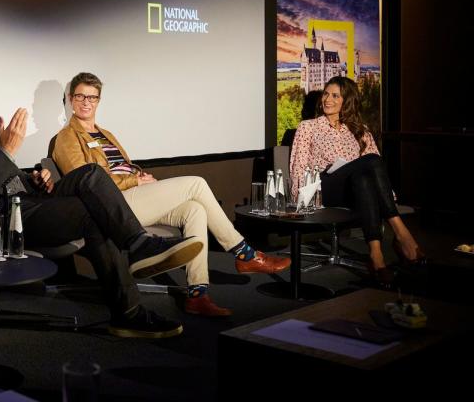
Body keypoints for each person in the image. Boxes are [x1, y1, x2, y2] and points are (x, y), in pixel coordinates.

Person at [0, 61, 203, 339]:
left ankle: (138, 244)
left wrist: (34, 178)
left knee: (90, 173)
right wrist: (6, 152)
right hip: (0, 220)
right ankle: (130, 309)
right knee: (93, 214)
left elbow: (5, 174)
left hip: (27, 199)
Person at [52, 72, 290, 317]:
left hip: (134, 193)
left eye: (92, 97)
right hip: (111, 207)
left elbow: (123, 168)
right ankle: (244, 253)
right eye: (80, 96)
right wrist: (135, 180)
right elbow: (87, 181)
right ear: (71, 99)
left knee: (194, 210)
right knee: (196, 184)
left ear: (99, 101)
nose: (86, 102)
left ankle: (198, 294)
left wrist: (141, 179)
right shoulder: (66, 138)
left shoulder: (106, 134)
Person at [289, 76, 423, 287]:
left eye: (335, 96)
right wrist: (300, 199)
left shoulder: (360, 130)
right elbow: (298, 166)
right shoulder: (308, 127)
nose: (327, 100)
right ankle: (401, 232)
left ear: (347, 101)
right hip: (322, 188)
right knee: (370, 160)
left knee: (363, 177)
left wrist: (387, 196)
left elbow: (376, 173)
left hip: (352, 191)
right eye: (325, 94)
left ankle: (376, 256)